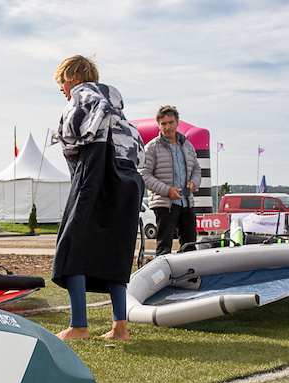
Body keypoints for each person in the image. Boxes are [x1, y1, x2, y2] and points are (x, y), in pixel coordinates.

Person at [52, 55, 144, 341]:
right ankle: (120, 327)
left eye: (63, 81)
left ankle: (79, 325)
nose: (62, 89)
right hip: (128, 177)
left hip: (95, 171)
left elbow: (86, 122)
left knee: (73, 246)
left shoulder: (84, 96)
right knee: (115, 251)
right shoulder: (119, 108)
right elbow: (138, 149)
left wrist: (81, 140)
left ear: (76, 77)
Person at [139, 106, 202, 255]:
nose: (167, 127)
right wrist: (167, 191)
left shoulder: (187, 146)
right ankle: (164, 278)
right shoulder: (152, 148)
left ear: (177, 122)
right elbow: (144, 175)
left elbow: (197, 170)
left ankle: (189, 278)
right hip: (164, 205)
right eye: (163, 123)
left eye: (170, 122)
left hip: (187, 203)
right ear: (158, 125)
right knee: (164, 248)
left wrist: (193, 183)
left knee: (190, 247)